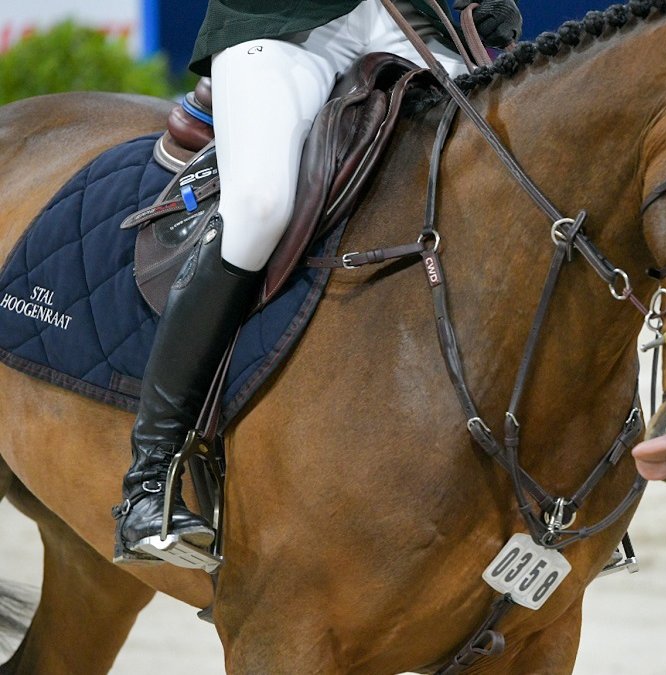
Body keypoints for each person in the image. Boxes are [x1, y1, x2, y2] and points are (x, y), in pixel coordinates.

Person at [113, 0, 523, 566]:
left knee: (515, 167)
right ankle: (151, 477)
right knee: (258, 207)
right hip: (282, 22)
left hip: (411, 19)